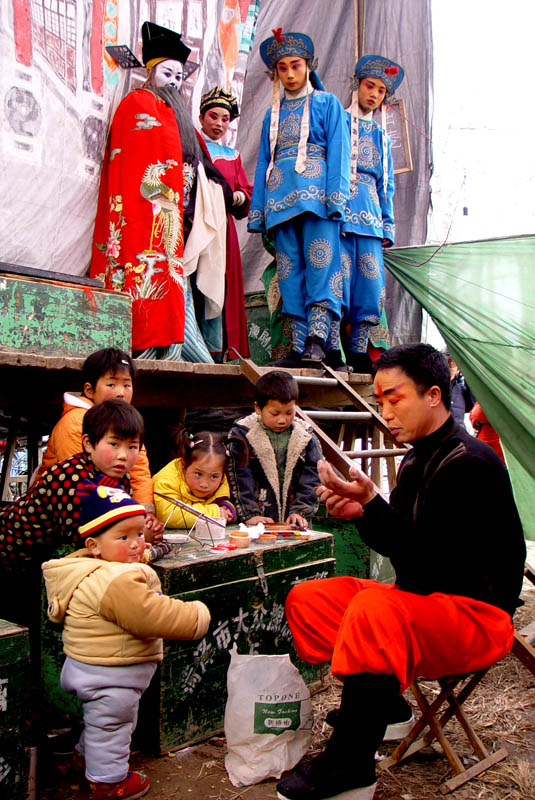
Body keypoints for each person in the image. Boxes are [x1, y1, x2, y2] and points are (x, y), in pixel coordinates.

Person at [276, 344, 526, 800]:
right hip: (426, 602)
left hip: (477, 618)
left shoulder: (468, 463)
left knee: (374, 607)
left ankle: (351, 764)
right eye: (380, 400)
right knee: (309, 599)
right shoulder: (416, 457)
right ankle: (384, 704)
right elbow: (407, 548)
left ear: (433, 395)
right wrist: (363, 512)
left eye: (395, 398)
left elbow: (428, 563)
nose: (385, 411)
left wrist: (373, 505)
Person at [42, 483, 210, 799]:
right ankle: (109, 782)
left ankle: (83, 758)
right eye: (124, 537)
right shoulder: (116, 582)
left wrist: (147, 551)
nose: (135, 545)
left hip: (92, 667)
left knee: (101, 725)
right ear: (93, 544)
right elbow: (151, 613)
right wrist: (196, 616)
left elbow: (136, 555)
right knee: (113, 728)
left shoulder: (94, 567)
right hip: (111, 676)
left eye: (139, 534)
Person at [90, 21, 232, 362]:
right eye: (167, 73)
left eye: (180, 76)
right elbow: (135, 165)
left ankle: (192, 361)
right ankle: (168, 356)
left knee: (177, 293)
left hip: (179, 219)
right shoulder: (138, 104)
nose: (174, 81)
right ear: (150, 72)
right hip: (146, 218)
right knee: (157, 286)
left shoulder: (179, 116)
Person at [247, 29, 350, 368]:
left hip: (318, 199)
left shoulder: (327, 103)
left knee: (322, 264)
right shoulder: (270, 115)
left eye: (296, 66)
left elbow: (338, 151)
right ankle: (297, 345)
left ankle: (320, 340)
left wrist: (336, 198)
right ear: (275, 72)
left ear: (308, 66)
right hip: (280, 201)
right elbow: (264, 161)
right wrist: (259, 210)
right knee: (289, 271)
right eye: (282, 68)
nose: (290, 74)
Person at [0, 399, 145, 567]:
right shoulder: (71, 477)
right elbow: (84, 542)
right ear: (88, 444)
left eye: (132, 447)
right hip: (13, 555)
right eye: (114, 444)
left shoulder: (121, 477)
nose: (123, 455)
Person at [32, 348, 157, 520]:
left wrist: (145, 515)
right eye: (111, 385)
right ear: (90, 390)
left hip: (104, 502)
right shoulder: (76, 422)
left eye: (127, 385)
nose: (121, 392)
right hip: (59, 511)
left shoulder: (127, 422)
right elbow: (78, 479)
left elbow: (139, 472)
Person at [340, 55, 404, 374]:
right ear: (357, 85)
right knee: (335, 279)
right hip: (338, 213)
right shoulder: (337, 121)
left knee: (369, 283)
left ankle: (358, 350)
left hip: (370, 217)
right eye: (370, 86)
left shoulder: (382, 137)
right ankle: (331, 347)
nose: (374, 95)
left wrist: (387, 226)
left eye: (381, 90)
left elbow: (387, 185)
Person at [198, 87, 253, 360]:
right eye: (213, 116)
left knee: (222, 284)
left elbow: (246, 193)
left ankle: (220, 351)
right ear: (200, 118)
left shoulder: (233, 155)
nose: (219, 124)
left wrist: (238, 196)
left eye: (225, 119)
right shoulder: (191, 145)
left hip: (224, 227)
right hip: (194, 223)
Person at [228, 370, 322, 528]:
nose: (282, 420)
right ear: (258, 408)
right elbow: (239, 477)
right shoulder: (243, 435)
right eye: (275, 413)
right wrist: (250, 514)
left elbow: (313, 476)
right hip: (256, 523)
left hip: (295, 523)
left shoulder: (305, 437)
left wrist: (300, 512)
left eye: (289, 412)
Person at [153, 428, 244, 529]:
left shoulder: (221, 479)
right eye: (198, 474)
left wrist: (227, 509)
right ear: (184, 464)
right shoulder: (167, 479)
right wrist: (215, 513)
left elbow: (223, 503)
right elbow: (168, 515)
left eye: (214, 476)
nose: (204, 484)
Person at [444, 349, 475, 427]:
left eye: (452, 364)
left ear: (458, 368)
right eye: (447, 363)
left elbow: (471, 404)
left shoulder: (461, 389)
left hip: (457, 434)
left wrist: (468, 378)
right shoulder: (433, 385)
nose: (449, 367)